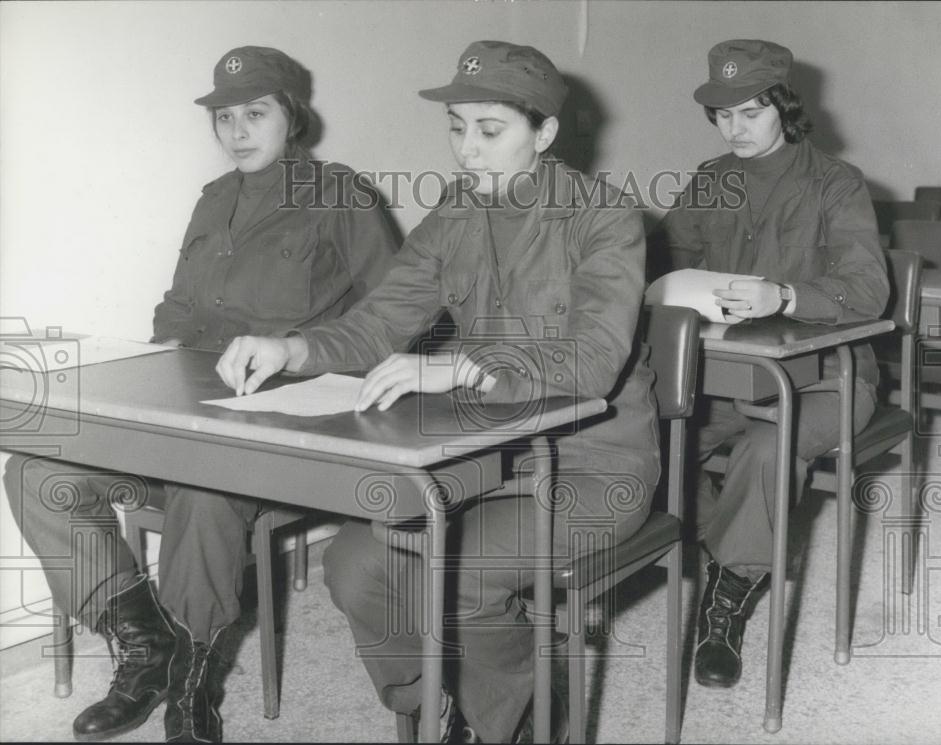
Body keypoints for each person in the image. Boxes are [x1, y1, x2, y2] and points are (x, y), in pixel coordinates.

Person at [215, 40, 660, 743]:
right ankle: (445, 699)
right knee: (355, 563)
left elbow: (595, 359)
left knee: (462, 577)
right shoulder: (456, 213)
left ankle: (523, 722)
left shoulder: (603, 217)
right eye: (457, 129)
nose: (467, 151)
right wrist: (292, 347)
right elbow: (380, 320)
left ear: (543, 134)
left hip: (593, 466)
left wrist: (463, 364)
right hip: (489, 456)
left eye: (489, 131)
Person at [2, 46, 398, 742]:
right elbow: (179, 311)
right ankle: (147, 646)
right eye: (224, 117)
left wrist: (302, 355)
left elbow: (392, 318)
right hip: (192, 413)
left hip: (285, 422)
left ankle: (193, 683)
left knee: (205, 487)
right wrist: (156, 363)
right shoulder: (214, 200)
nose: (237, 129)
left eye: (255, 112)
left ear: (292, 116)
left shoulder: (341, 195)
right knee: (37, 469)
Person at [660, 39, 890, 689]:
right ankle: (736, 542)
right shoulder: (712, 179)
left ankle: (725, 601)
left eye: (750, 113)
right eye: (722, 115)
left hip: (831, 376)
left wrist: (785, 295)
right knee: (647, 444)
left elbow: (870, 290)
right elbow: (669, 257)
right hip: (731, 373)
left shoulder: (836, 183)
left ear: (785, 109)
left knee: (767, 447)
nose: (733, 128)